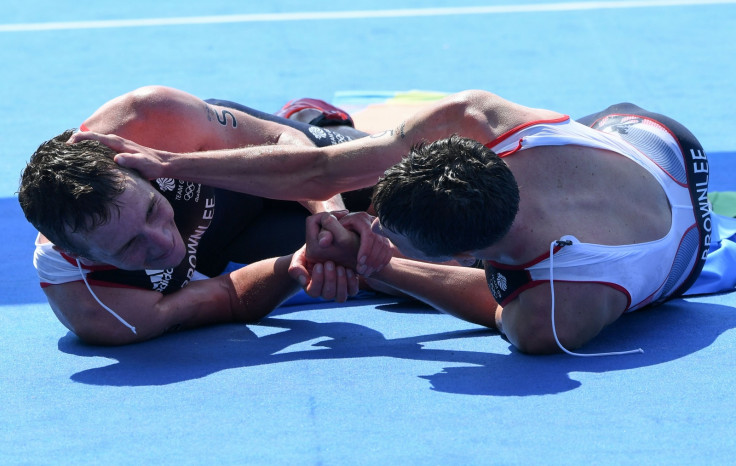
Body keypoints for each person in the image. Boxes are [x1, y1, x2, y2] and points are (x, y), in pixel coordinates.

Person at [80, 90, 712, 354]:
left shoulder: (549, 317)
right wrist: (164, 163)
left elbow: (497, 310)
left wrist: (382, 263)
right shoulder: (479, 116)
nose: (372, 219)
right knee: (350, 152)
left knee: (412, 286)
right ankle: (324, 118)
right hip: (654, 141)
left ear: (474, 255)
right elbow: (320, 174)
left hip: (680, 246)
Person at [18, 85, 388, 345]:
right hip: (233, 246)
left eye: (151, 210)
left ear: (142, 172)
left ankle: (312, 120)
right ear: (83, 257)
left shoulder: (150, 118)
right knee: (406, 256)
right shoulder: (103, 311)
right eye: (130, 244)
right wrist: (306, 260)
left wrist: (333, 217)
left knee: (401, 181)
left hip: (253, 160)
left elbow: (282, 146)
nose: (163, 243)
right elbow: (227, 296)